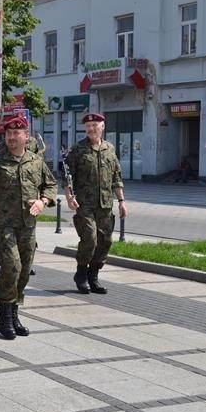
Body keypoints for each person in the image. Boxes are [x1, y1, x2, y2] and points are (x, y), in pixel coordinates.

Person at [0, 115, 57, 339]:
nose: (11, 137)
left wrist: (42, 202)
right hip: (4, 226)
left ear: (26, 136)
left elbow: (50, 186)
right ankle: (5, 314)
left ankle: (13, 312)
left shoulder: (35, 161)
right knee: (11, 266)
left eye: (16, 133)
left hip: (27, 226)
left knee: (24, 270)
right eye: (9, 133)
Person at [63, 112, 127, 295]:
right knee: (90, 238)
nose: (91, 129)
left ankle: (94, 275)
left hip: (105, 204)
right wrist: (69, 196)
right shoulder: (77, 150)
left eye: (95, 125)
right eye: (88, 126)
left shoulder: (110, 149)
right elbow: (67, 175)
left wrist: (122, 201)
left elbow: (116, 177)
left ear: (102, 126)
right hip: (85, 204)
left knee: (105, 241)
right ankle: (81, 273)